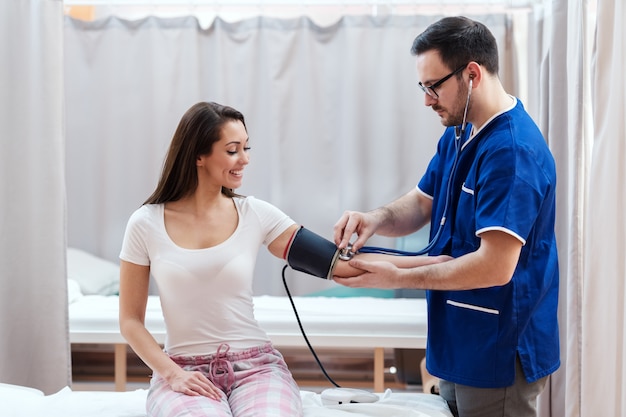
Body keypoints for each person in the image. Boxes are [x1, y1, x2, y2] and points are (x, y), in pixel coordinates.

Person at [119, 101, 445, 417]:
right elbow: (130, 321)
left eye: (247, 148)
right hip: (182, 368)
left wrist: (437, 263)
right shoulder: (146, 223)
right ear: (198, 156)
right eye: (233, 150)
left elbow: (340, 265)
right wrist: (172, 374)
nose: (244, 159)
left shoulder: (255, 214)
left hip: (256, 368)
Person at [332, 16, 560, 417]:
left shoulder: (511, 152)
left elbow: (495, 266)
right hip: (459, 336)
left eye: (433, 86)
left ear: (471, 75)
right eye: (422, 87)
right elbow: (423, 202)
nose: (426, 99)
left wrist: (398, 276)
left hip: (498, 346)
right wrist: (375, 218)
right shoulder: (460, 131)